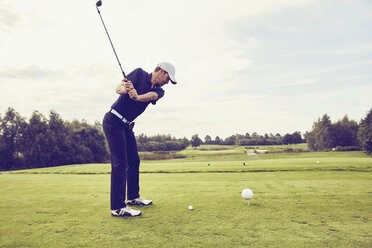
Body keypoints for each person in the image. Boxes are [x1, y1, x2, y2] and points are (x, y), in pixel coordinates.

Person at [102, 62, 177, 217]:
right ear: (161, 71)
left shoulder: (159, 91)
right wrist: (126, 90)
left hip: (127, 125)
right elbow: (118, 88)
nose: (167, 82)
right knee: (120, 162)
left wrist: (136, 96)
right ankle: (117, 207)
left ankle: (133, 197)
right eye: (168, 78)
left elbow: (151, 96)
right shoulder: (138, 73)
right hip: (113, 120)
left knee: (134, 160)